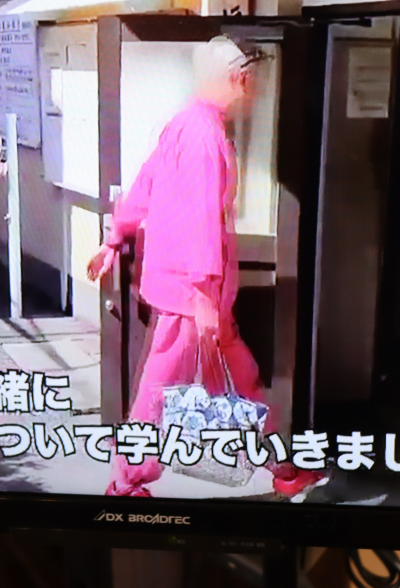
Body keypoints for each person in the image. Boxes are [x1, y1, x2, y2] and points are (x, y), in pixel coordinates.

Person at [87, 35, 324, 499]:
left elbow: (144, 187)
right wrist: (201, 298)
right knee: (162, 392)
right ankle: (127, 482)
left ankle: (280, 465)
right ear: (238, 78)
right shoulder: (203, 135)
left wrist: (116, 237)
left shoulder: (187, 125)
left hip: (198, 294)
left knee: (239, 379)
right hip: (192, 297)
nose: (256, 89)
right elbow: (198, 221)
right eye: (253, 79)